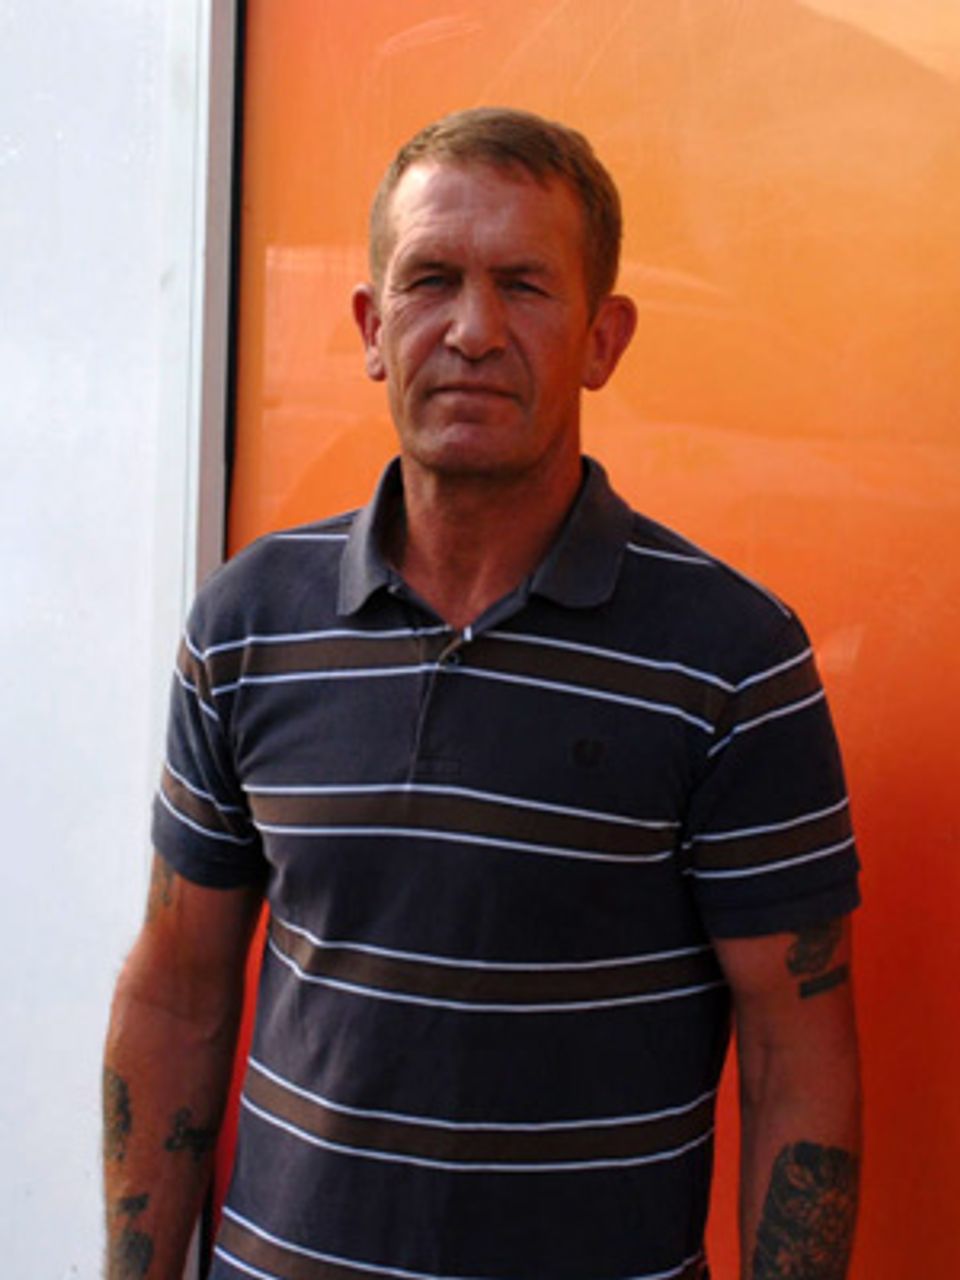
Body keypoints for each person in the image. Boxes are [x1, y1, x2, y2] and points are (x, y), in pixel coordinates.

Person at [103, 107, 860, 1280]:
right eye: (430, 281)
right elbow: (177, 995)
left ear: (603, 338)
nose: (472, 329)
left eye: (524, 285)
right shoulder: (248, 622)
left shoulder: (733, 660)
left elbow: (794, 1053)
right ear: (372, 327)